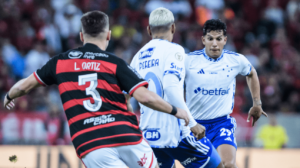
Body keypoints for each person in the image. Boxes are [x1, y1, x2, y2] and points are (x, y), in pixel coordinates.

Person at [3, 11, 191, 168]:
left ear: (81, 36)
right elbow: (145, 97)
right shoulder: (116, 63)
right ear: (108, 35)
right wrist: (176, 111)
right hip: (126, 135)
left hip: (91, 144)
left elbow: (24, 85)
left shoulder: (60, 63)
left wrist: (9, 95)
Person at [130, 8, 223, 168]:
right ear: (173, 27)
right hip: (176, 133)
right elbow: (171, 87)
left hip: (150, 135)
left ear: (148, 29)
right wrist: (192, 123)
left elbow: (127, 97)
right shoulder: (174, 50)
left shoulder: (137, 57)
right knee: (217, 165)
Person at [184, 19, 268, 168]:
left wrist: (257, 102)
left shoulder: (236, 60)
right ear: (203, 40)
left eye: (218, 38)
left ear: (225, 40)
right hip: (194, 126)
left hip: (220, 124)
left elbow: (251, 73)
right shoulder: (188, 61)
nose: (214, 43)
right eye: (210, 39)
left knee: (228, 164)